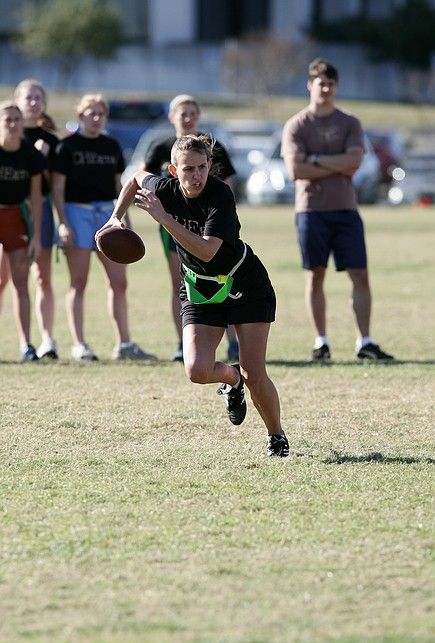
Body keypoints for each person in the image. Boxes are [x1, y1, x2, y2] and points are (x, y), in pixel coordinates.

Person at [97, 135, 289, 457]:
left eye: (202, 167)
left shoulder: (220, 196)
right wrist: (116, 217)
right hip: (200, 287)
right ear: (174, 171)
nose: (196, 175)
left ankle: (276, 435)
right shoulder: (164, 189)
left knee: (255, 374)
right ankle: (231, 379)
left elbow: (208, 250)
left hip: (245, 284)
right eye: (188, 169)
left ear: (210, 166)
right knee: (197, 370)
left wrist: (163, 218)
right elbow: (133, 178)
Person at [281, 58, 393, 362]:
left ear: (336, 87)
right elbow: (295, 169)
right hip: (311, 211)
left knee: (360, 274)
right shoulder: (297, 125)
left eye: (331, 83)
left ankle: (365, 341)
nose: (326, 88)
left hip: (345, 209)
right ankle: (321, 342)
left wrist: (315, 160)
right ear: (310, 85)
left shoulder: (349, 122)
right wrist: (334, 163)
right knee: (315, 275)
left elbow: (354, 163)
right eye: (321, 83)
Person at [52, 93, 155, 361]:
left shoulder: (111, 145)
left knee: (119, 282)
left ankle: (124, 344)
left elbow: (119, 186)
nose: (96, 118)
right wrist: (63, 222)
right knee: (79, 281)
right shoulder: (67, 147)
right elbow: (58, 189)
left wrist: (125, 220)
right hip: (77, 213)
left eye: (101, 113)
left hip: (107, 215)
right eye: (91, 113)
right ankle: (79, 345)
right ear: (81, 115)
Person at [143, 94, 239, 363]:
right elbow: (140, 177)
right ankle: (182, 343)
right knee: (180, 283)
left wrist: (222, 218)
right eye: (182, 114)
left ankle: (233, 344)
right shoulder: (162, 147)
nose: (187, 118)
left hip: (210, 223)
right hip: (173, 223)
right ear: (171, 117)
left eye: (192, 114)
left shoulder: (214, 148)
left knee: (223, 280)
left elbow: (228, 185)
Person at [14, 79, 59, 359]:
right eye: (28, 97)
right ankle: (23, 342)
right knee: (6, 279)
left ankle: (47, 340)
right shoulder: (8, 136)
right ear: (17, 101)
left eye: (37, 98)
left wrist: (41, 160)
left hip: (40, 210)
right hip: (10, 211)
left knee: (42, 278)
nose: (33, 102)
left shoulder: (51, 141)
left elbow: (54, 185)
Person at [0, 101, 43, 361]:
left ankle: (26, 345)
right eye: (8, 119)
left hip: (17, 218)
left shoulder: (31, 155)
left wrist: (36, 235)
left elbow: (36, 198)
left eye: (17, 119)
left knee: (20, 283)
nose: (14, 124)